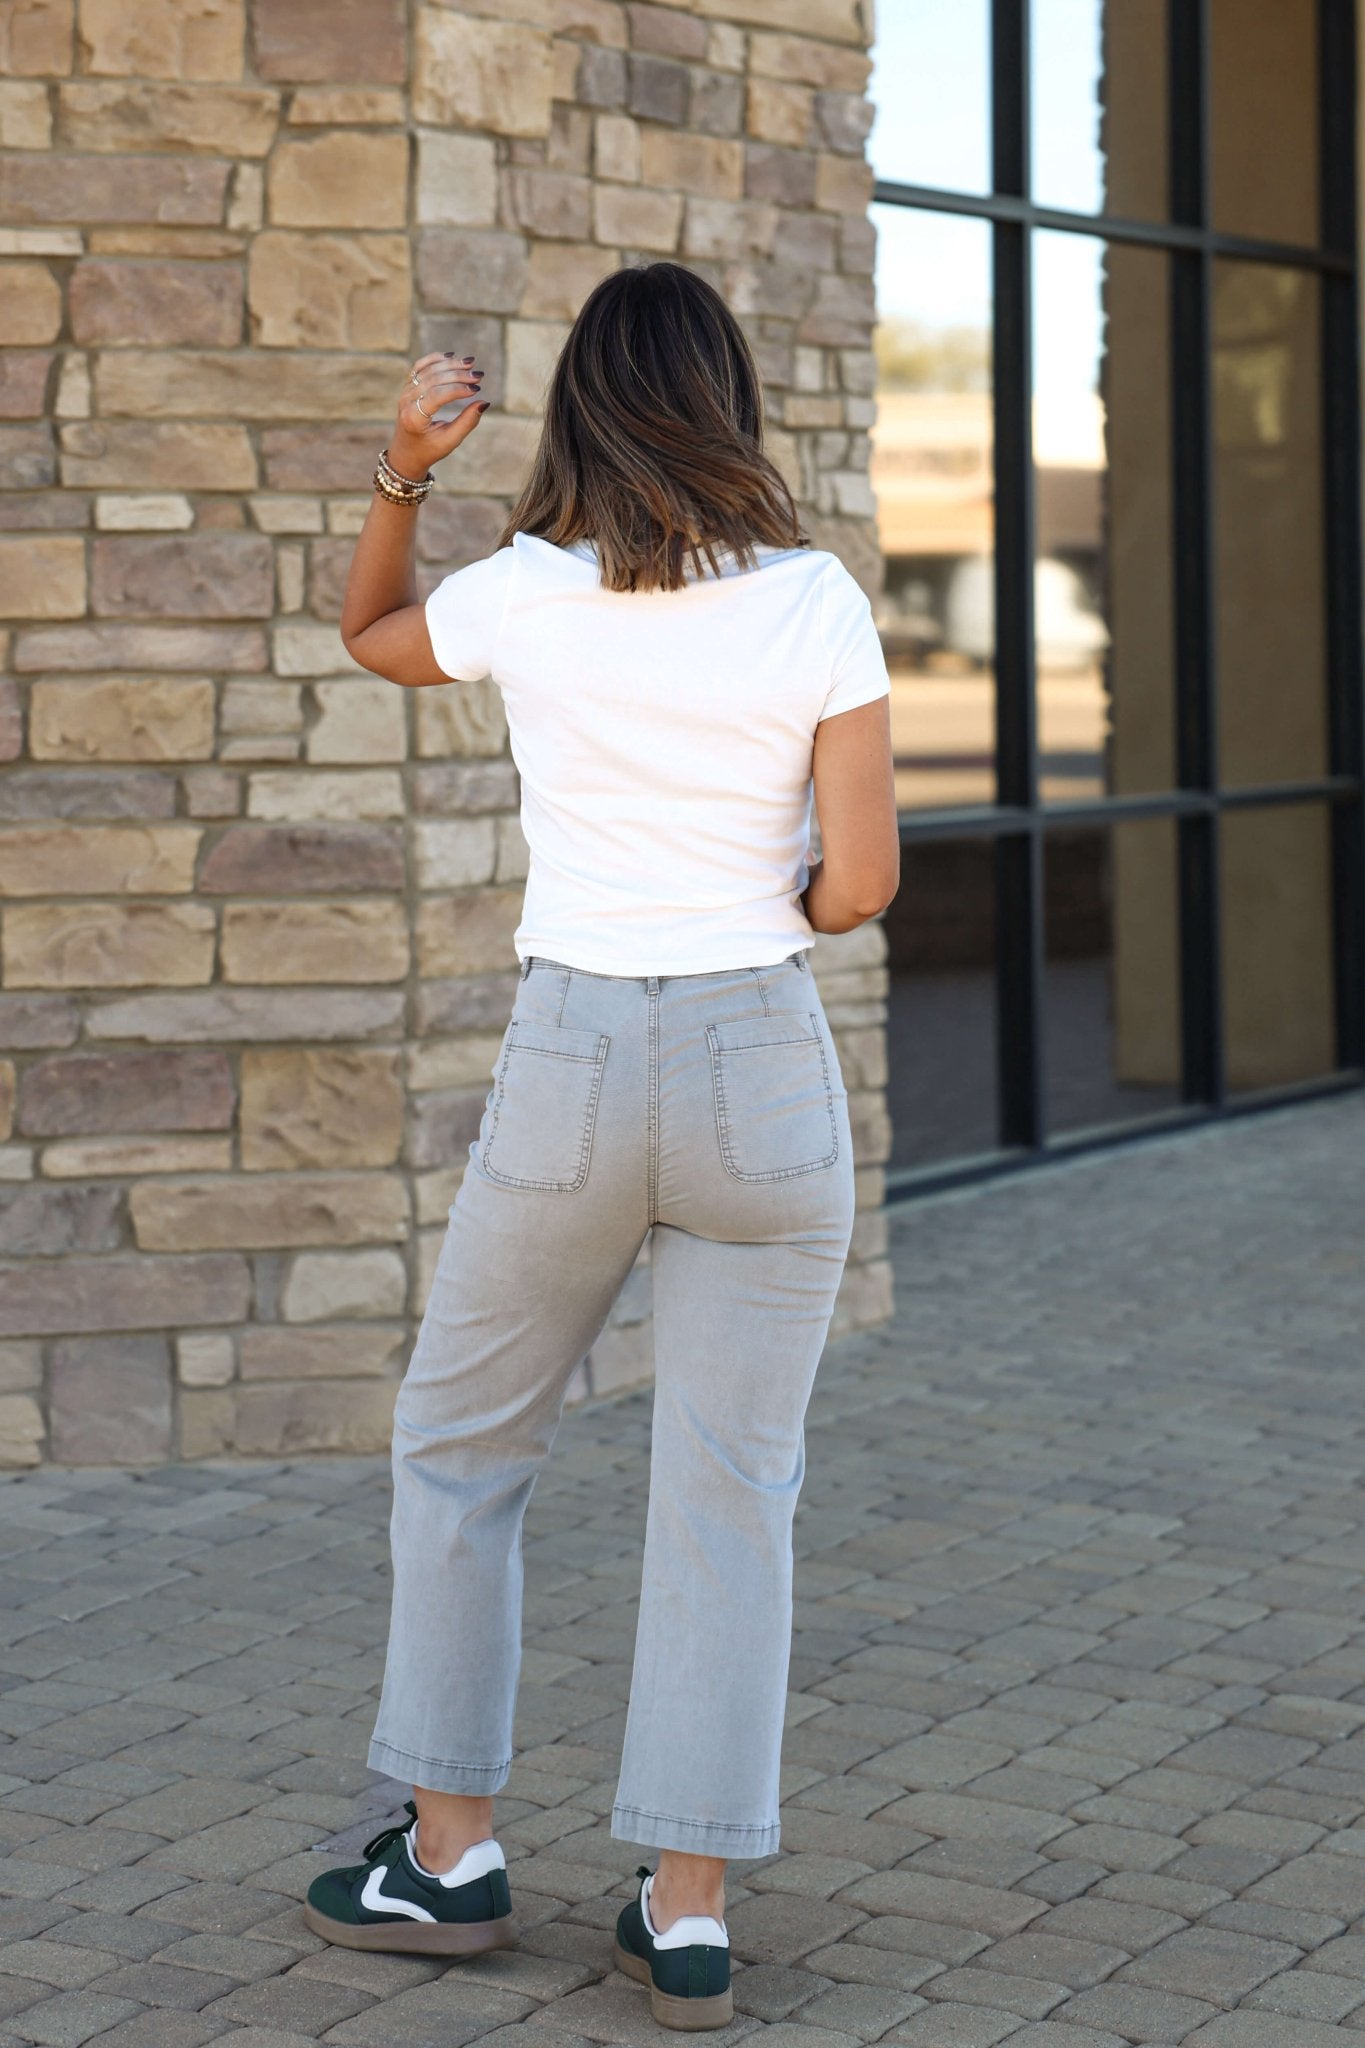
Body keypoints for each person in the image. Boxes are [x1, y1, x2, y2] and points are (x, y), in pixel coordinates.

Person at [304, 261, 899, 2029]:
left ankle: (452, 1853)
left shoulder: (524, 594)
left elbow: (371, 638)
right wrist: (762, 896)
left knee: (463, 1447)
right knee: (734, 1492)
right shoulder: (813, 601)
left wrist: (403, 469)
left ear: (578, 408)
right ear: (725, 403)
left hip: (574, 1057)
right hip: (757, 1068)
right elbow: (860, 885)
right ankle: (690, 1903)